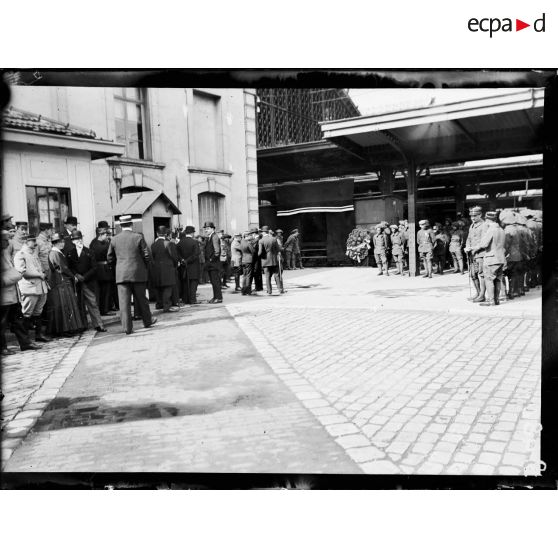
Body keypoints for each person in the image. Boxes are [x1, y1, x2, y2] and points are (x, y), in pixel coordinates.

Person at [107, 214, 156, 335]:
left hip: (121, 275)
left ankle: (127, 328)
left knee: (124, 303)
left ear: (121, 226)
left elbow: (109, 258)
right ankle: (147, 321)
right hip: (138, 273)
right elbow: (146, 255)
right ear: (131, 224)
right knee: (142, 299)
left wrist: (118, 269)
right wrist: (143, 267)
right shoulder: (138, 237)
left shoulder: (114, 239)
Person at [1, 231, 40, 354]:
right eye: (5, 240)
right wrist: (12, 276)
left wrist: (14, 275)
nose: (8, 243)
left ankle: (25, 343)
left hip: (13, 294)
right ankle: (2, 348)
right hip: (4, 296)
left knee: (19, 320)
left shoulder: (6, 253)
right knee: (2, 322)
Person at [47, 232, 86, 337]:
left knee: (66, 306)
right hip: (61, 282)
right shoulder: (54, 253)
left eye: (63, 241)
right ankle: (64, 329)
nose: (63, 243)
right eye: (61, 241)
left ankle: (68, 328)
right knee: (64, 306)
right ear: (56, 243)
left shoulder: (57, 252)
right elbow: (62, 268)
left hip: (63, 282)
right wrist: (73, 276)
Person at [13, 233, 51, 342]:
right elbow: (22, 272)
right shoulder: (20, 254)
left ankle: (38, 335)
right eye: (33, 241)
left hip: (40, 287)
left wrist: (42, 274)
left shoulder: (33, 253)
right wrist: (39, 275)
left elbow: (39, 267)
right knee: (27, 313)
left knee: (38, 312)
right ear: (26, 242)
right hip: (29, 288)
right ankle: (25, 340)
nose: (35, 243)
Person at [67, 230, 107, 332]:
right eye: (75, 239)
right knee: (78, 304)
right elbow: (69, 267)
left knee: (92, 303)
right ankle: (82, 325)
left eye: (80, 238)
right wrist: (76, 275)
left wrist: (84, 277)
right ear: (72, 241)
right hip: (77, 283)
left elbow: (94, 267)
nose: (78, 241)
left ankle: (99, 324)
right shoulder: (70, 253)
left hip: (88, 282)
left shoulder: (89, 252)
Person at [473, 211, 506, 307]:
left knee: (489, 279)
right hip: (500, 258)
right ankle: (496, 300)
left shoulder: (491, 229)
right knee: (498, 280)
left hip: (491, 259)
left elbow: (484, 244)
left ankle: (491, 301)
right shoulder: (501, 229)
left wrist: (474, 248)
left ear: (487, 220)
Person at [151, 226, 180, 313]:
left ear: (157, 234)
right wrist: (174, 266)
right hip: (168, 268)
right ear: (166, 234)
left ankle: (159, 304)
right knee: (167, 288)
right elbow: (174, 257)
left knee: (159, 287)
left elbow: (152, 257)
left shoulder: (153, 245)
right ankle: (166, 306)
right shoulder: (169, 243)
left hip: (157, 268)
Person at [464, 206, 490, 302]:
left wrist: (474, 249)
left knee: (481, 274)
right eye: (471, 216)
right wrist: (467, 247)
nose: (473, 218)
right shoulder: (472, 225)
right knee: (472, 274)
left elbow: (484, 241)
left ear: (480, 215)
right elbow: (469, 238)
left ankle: (482, 295)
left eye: (475, 216)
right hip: (472, 254)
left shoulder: (484, 225)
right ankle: (478, 293)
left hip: (481, 254)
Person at [89, 227, 115, 316]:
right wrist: (109, 242)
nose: (106, 236)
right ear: (100, 235)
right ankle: (105, 310)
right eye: (105, 235)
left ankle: (103, 309)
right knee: (106, 290)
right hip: (104, 269)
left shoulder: (93, 243)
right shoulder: (104, 245)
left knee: (101, 291)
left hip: (97, 269)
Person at [177, 225, 201, 305]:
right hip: (193, 266)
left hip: (183, 266)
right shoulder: (195, 242)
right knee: (193, 283)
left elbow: (177, 254)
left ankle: (185, 299)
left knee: (185, 283)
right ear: (192, 233)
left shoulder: (180, 242)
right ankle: (192, 299)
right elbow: (196, 254)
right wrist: (187, 261)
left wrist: (182, 260)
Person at [258, 225, 284, 295]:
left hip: (265, 261)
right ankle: (280, 289)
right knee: (276, 275)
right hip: (274, 260)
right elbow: (278, 249)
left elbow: (260, 252)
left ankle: (269, 291)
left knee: (267, 277)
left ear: (263, 232)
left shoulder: (261, 240)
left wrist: (258, 256)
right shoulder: (274, 239)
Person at [203, 221, 223, 304]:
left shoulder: (214, 237)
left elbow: (217, 251)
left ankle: (218, 298)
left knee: (215, 281)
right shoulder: (210, 237)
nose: (206, 230)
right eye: (205, 229)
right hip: (211, 264)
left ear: (212, 229)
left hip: (213, 264)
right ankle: (215, 297)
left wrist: (211, 260)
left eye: (207, 229)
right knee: (214, 282)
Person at [240, 228, 258, 295]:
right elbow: (253, 251)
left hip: (243, 260)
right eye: (249, 235)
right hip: (249, 260)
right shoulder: (248, 243)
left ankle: (243, 290)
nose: (251, 236)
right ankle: (248, 290)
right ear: (246, 236)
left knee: (244, 276)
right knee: (248, 276)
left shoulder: (242, 242)